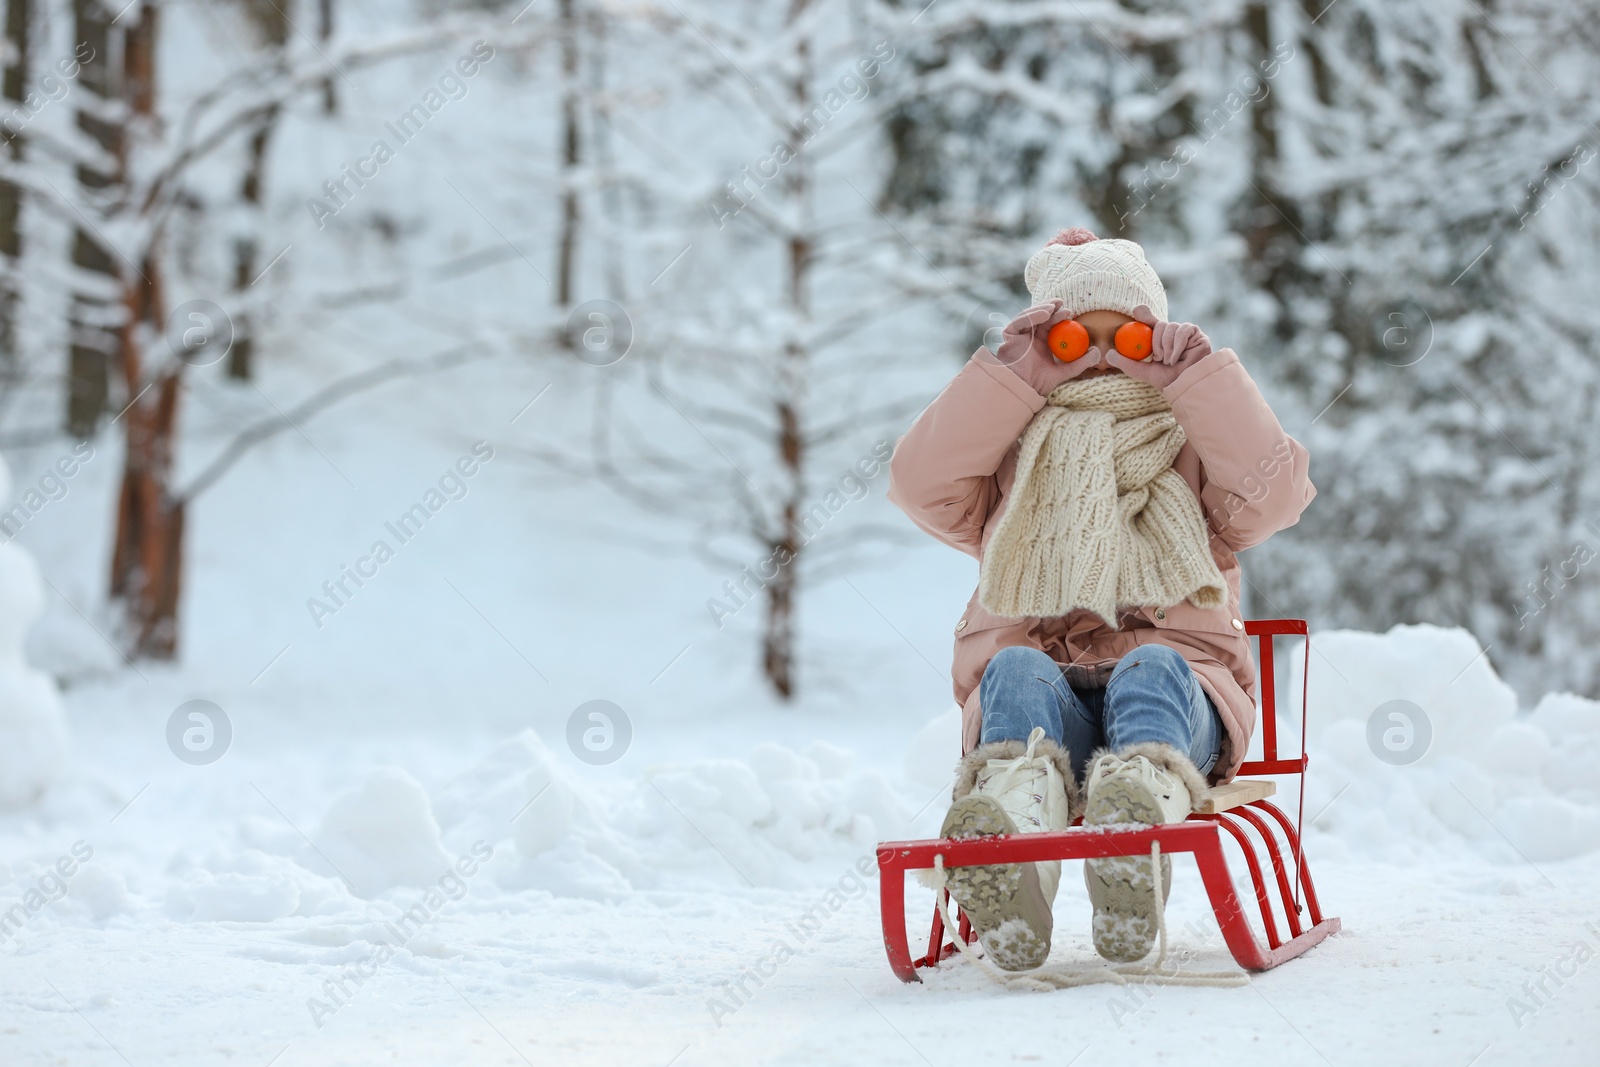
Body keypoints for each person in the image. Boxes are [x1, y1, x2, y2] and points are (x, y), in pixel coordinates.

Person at [887, 227, 1314, 971]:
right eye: (1080, 338)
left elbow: (1276, 494)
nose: (1107, 354)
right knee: (1013, 671)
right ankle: (1013, 853)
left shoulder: (1192, 447)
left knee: (1152, 664)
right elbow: (920, 484)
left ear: (1164, 342)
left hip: (1181, 693)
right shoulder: (1015, 459)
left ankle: (1136, 819)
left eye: (1134, 339)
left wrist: (1200, 380)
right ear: (1047, 344)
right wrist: (1012, 378)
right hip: (1052, 706)